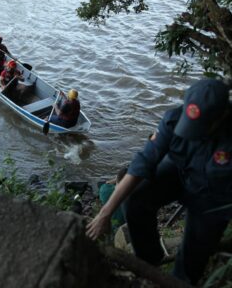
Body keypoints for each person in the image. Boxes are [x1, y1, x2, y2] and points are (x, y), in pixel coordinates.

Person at [86, 78, 232, 285]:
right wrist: (105, 212)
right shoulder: (174, 119)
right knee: (135, 198)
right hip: (178, 171)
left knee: (193, 256)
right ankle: (149, 261)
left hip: (213, 196)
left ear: (222, 116)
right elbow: (142, 163)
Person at [98, 168, 127, 233]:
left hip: (113, 227)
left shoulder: (104, 190)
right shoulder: (135, 197)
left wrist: (115, 179)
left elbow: (106, 183)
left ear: (117, 179)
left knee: (100, 183)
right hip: (125, 228)